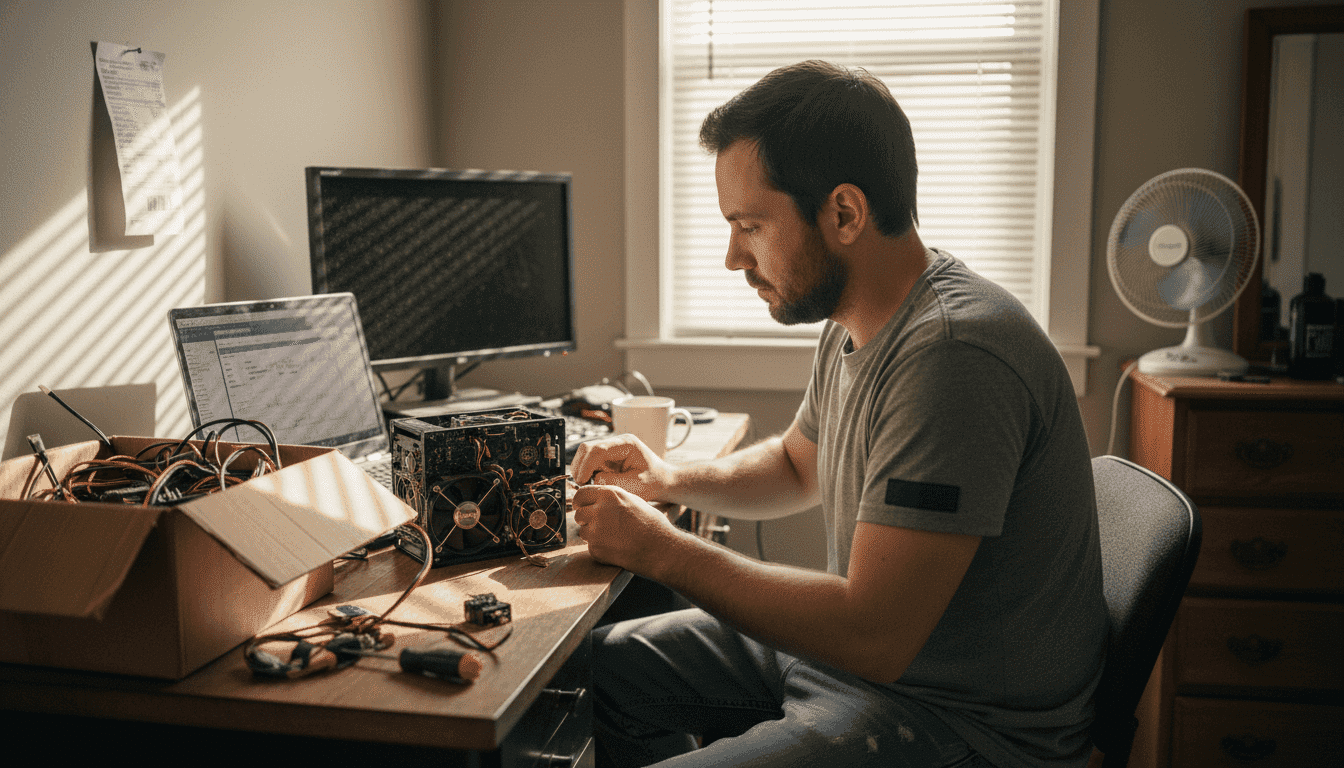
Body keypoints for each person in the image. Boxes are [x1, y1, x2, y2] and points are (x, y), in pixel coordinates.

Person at [571, 60, 1107, 768]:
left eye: (750, 226)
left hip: (962, 723)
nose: (733, 256)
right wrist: (670, 478)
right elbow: (798, 463)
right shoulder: (856, 316)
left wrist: (660, 549)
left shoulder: (956, 354)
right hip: (867, 670)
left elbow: (874, 634)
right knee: (588, 672)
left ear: (845, 214)